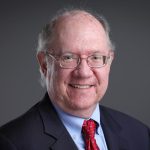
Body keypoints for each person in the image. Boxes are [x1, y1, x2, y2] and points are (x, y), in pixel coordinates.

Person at [0, 8, 150, 150]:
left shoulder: (140, 135)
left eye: (96, 57)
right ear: (44, 64)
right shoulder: (12, 143)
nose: (83, 73)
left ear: (109, 62)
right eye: (68, 57)